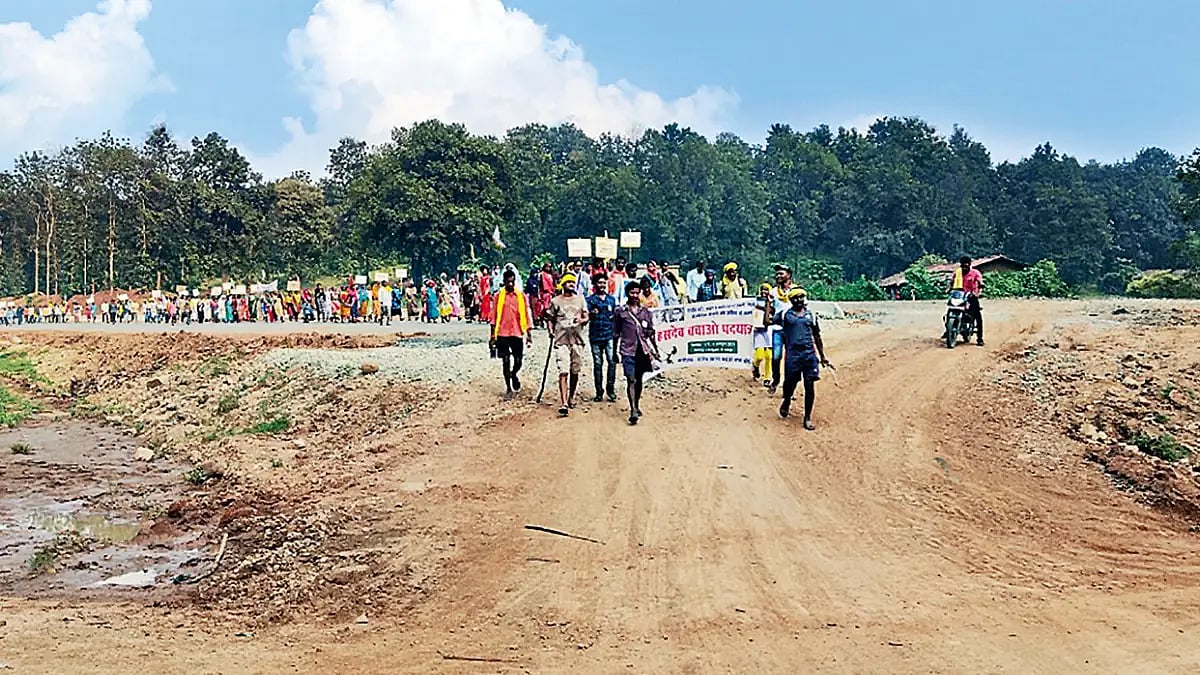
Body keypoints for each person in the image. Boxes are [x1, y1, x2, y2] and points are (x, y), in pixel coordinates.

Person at [764, 287, 831, 430]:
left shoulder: (811, 316)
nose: (799, 300)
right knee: (790, 383)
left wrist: (822, 356)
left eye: (801, 297)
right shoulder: (784, 315)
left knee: (809, 386)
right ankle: (787, 399)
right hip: (793, 356)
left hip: (809, 355)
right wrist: (768, 304)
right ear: (790, 300)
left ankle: (807, 418)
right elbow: (767, 321)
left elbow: (817, 336)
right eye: (796, 298)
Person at [613, 282, 659, 425]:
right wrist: (615, 352)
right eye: (632, 293)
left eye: (636, 293)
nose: (634, 295)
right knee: (631, 379)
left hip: (643, 351)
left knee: (639, 380)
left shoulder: (646, 312)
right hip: (627, 350)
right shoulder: (620, 312)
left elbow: (651, 333)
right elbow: (616, 333)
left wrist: (656, 350)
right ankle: (633, 409)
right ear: (627, 294)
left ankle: (636, 404)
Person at [544, 273, 589, 417]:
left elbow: (586, 316)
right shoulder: (555, 301)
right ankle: (563, 403)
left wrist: (581, 321)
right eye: (568, 282)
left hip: (577, 341)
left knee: (575, 371)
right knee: (563, 371)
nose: (571, 284)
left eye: (572, 282)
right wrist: (550, 331)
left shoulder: (580, 300)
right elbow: (549, 318)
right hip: (561, 341)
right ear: (563, 285)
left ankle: (571, 397)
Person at [490, 269, 534, 399]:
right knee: (505, 360)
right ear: (503, 282)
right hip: (502, 333)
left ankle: (514, 374)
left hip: (517, 332)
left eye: (512, 281)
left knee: (519, 360)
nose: (510, 284)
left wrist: (529, 333)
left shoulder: (521, 296)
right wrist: (492, 336)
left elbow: (526, 314)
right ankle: (508, 388)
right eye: (507, 281)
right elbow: (494, 316)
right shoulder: (498, 296)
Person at [586, 272, 618, 403]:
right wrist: (591, 314)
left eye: (604, 282)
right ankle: (599, 391)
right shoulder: (590, 300)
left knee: (612, 361)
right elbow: (586, 316)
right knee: (598, 364)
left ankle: (610, 389)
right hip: (595, 336)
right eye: (599, 282)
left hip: (609, 334)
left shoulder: (612, 300)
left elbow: (615, 317)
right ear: (595, 284)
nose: (602, 285)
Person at [767, 263, 795, 394]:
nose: (778, 276)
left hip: (792, 330)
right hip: (777, 329)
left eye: (781, 273)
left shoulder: (796, 290)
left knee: (790, 359)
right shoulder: (773, 292)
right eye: (777, 274)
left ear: (788, 275)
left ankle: (788, 386)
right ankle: (776, 379)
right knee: (776, 357)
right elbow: (770, 309)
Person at [950, 256, 985, 346]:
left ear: (969, 265)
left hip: (971, 296)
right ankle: (949, 329)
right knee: (950, 309)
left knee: (977, 316)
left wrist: (979, 289)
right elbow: (951, 282)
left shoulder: (975, 273)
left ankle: (980, 338)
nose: (964, 268)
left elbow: (980, 281)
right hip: (959, 295)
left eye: (966, 266)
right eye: (963, 266)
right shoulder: (957, 273)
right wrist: (949, 289)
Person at [752, 283, 774, 386]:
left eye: (766, 290)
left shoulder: (774, 302)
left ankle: (767, 377)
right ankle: (755, 365)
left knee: (769, 355)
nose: (764, 292)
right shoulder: (755, 301)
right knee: (760, 355)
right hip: (758, 329)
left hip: (769, 329)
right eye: (762, 289)